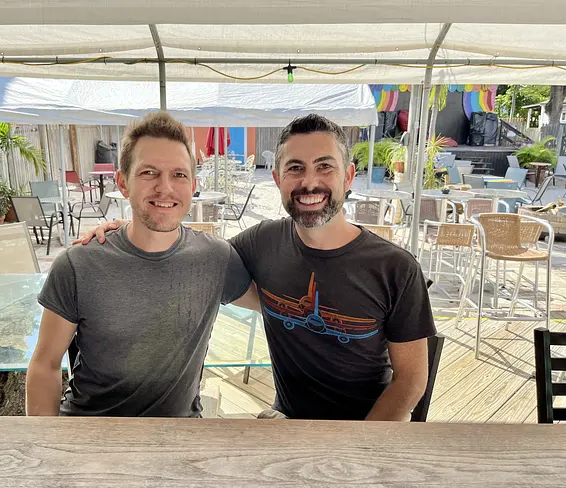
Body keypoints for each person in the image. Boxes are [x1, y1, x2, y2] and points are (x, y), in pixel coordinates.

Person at [81, 114, 436, 421]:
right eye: (295, 168)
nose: (309, 182)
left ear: (348, 177)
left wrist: (355, 445)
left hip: (368, 427)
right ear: (278, 179)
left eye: (324, 167)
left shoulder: (395, 268)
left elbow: (411, 381)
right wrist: (128, 233)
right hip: (286, 421)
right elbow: (186, 257)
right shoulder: (261, 243)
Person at [26, 112, 259, 417]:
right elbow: (45, 365)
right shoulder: (78, 264)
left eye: (179, 174)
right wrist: (48, 448)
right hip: (92, 433)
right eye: (149, 173)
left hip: (179, 435)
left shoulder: (217, 259)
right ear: (123, 182)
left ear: (193, 185)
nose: (165, 187)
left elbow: (280, 305)